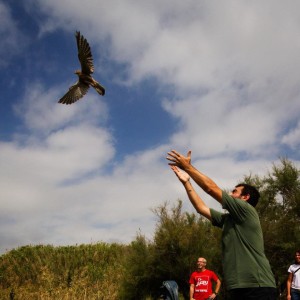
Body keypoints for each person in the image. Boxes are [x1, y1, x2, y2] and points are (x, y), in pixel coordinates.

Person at [166, 150, 277, 300]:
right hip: (238, 287)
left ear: (245, 197)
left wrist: (188, 167)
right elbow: (202, 208)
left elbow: (210, 188)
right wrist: (187, 183)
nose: (230, 194)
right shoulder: (228, 219)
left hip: (257, 286)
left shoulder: (246, 210)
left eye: (234, 192)